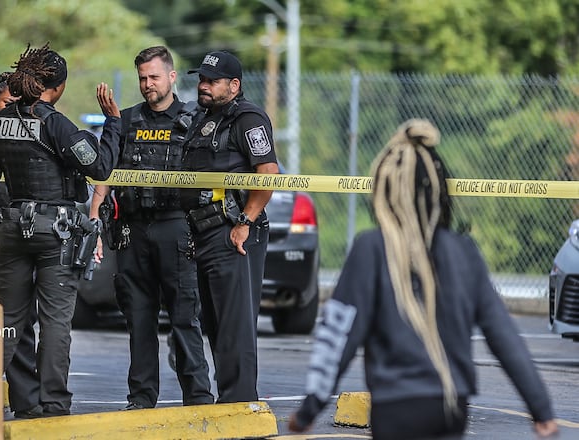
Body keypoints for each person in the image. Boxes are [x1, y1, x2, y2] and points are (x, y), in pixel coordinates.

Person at [288, 119, 559, 439]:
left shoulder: (371, 248)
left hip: (395, 408)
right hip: (452, 407)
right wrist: (541, 409)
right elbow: (504, 336)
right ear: (440, 190)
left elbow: (339, 336)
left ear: (384, 190)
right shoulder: (464, 251)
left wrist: (310, 408)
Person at [0, 43, 120, 418]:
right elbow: (100, 167)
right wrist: (113, 123)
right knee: (55, 320)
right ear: (56, 87)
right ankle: (54, 404)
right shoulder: (54, 122)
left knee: (8, 318)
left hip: (11, 228)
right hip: (55, 233)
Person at [88, 46, 213, 410]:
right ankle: (141, 398)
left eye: (154, 77)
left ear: (172, 77)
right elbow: (106, 173)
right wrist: (96, 216)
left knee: (184, 318)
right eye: (142, 78)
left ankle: (199, 398)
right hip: (133, 231)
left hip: (176, 228)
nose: (147, 84)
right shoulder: (125, 121)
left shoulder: (195, 119)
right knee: (139, 319)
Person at [181, 50, 279, 403]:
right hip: (204, 232)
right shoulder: (203, 117)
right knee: (218, 326)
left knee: (235, 328)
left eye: (212, 81)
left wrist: (245, 222)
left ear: (234, 85)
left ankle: (239, 405)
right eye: (201, 80)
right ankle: (229, 405)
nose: (203, 86)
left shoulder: (248, 119)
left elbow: (268, 174)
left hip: (233, 234)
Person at [0, 72, 42, 419]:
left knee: (22, 318)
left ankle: (26, 400)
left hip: (18, 236)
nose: (12, 114)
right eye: (7, 105)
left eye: (19, 105)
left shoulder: (29, 138)